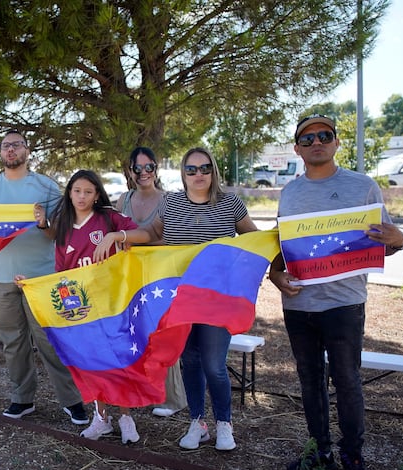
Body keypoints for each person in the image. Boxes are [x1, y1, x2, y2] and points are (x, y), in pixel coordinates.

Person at [269, 114, 403, 470]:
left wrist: (398, 240)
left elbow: (387, 243)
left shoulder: (362, 187)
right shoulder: (290, 193)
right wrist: (275, 275)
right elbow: (282, 248)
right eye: (308, 138)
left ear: (336, 142)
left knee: (347, 382)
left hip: (344, 303)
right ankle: (319, 450)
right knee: (310, 380)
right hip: (299, 305)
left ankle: (352, 455)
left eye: (324, 135)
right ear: (297, 148)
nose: (317, 142)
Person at [0, 129, 88, 425]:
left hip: (39, 277)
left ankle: (72, 400)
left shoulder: (46, 187)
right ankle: (22, 398)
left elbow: (60, 233)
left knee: (49, 340)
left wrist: (43, 223)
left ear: (27, 150)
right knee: (12, 340)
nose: (10, 150)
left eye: (16, 145)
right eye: (5, 146)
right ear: (0, 152)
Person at [145, 147, 258, 452]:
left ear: (214, 171)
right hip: (181, 299)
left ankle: (224, 423)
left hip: (216, 300)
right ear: (183, 173)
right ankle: (198, 422)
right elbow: (150, 233)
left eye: (204, 168)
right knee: (190, 361)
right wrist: (121, 238)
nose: (199, 175)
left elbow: (254, 241)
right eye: (191, 169)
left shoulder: (230, 203)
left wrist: (278, 265)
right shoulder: (170, 203)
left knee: (214, 365)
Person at [26, 169, 151, 443]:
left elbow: (144, 236)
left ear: (96, 196)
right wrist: (32, 284)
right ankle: (101, 418)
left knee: (118, 362)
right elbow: (61, 275)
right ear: (69, 193)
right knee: (91, 364)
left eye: (88, 192)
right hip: (81, 310)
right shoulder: (63, 224)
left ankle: (126, 418)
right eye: (77, 191)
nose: (82, 197)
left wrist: (116, 236)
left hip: (111, 304)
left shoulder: (108, 218)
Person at [116, 146, 187, 418]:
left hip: (162, 276)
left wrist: (132, 239)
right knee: (136, 334)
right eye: (138, 168)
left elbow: (173, 237)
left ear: (156, 169)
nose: (144, 172)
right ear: (130, 171)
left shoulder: (171, 200)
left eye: (149, 167)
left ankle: (173, 398)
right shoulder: (123, 200)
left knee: (164, 334)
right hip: (131, 278)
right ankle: (144, 391)